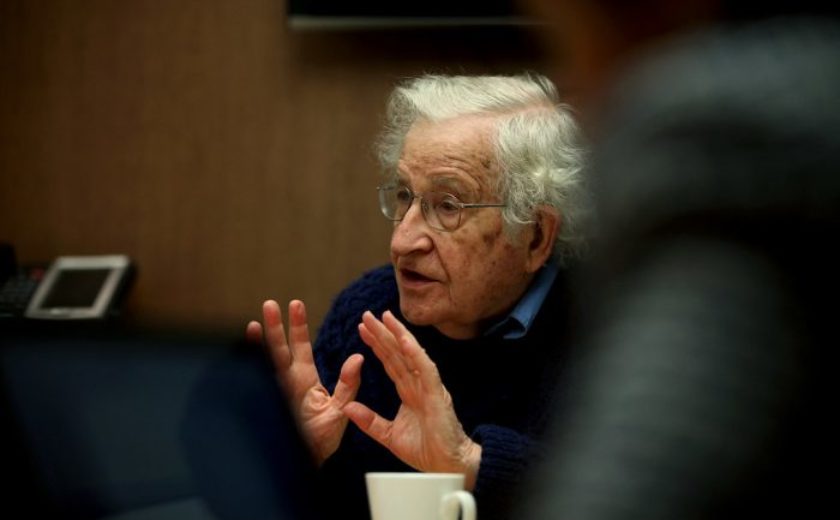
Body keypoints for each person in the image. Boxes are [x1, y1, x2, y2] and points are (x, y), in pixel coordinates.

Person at [518, 1, 840, 518]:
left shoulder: (732, 145)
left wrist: (477, 459)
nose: (573, 83)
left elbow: (636, 485)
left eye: (563, 43)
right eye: (402, 198)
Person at [245, 73, 589, 520]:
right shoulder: (368, 313)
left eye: (448, 206)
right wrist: (292, 462)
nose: (403, 241)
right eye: (404, 196)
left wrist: (471, 463)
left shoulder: (610, 333)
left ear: (536, 235)